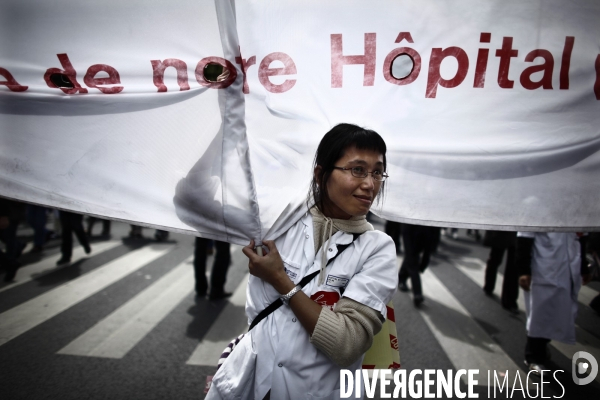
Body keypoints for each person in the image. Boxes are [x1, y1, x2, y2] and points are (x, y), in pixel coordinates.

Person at [206, 124, 398, 399]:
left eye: (377, 172)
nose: (370, 184)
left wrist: (281, 280)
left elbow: (347, 344)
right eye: (357, 170)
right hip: (251, 385)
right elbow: (190, 196)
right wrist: (226, 123)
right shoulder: (277, 221)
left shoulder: (377, 248)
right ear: (321, 174)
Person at [516, 232, 591, 373]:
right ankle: (533, 356)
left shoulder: (575, 210)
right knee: (539, 314)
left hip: (567, 267)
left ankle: (542, 347)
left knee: (558, 313)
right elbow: (524, 237)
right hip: (543, 268)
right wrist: (523, 270)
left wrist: (583, 268)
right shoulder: (537, 210)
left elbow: (582, 237)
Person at [397, 223, 440, 306]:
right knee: (412, 260)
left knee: (412, 258)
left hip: (426, 231)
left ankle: (402, 276)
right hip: (410, 228)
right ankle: (417, 294)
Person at [482, 230, 520, 314]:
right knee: (495, 259)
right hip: (502, 230)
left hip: (516, 231)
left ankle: (509, 300)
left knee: (513, 265)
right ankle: (489, 285)